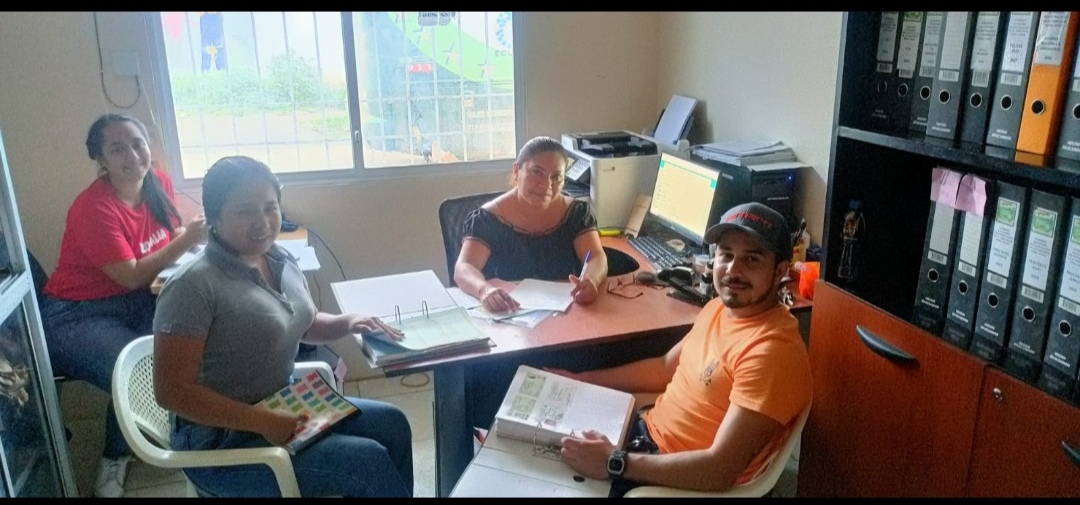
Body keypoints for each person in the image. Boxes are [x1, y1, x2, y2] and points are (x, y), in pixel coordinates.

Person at [152, 156, 414, 497]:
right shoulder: (192, 286)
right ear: (213, 217)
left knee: (393, 423)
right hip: (219, 439)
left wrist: (349, 322)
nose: (262, 222)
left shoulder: (278, 257)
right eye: (245, 211)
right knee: (367, 462)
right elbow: (172, 392)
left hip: (282, 406)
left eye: (270, 208)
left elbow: (303, 324)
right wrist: (261, 421)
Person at [550, 202, 813, 497]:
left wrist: (613, 462)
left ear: (780, 272)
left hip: (672, 479)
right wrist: (582, 379)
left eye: (752, 259)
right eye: (726, 254)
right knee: (533, 446)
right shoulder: (719, 308)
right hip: (642, 438)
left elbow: (718, 469)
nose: (733, 270)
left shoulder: (771, 353)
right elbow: (664, 368)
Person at [39, 113, 207, 497]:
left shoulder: (157, 183)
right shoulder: (93, 208)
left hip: (135, 300)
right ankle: (114, 459)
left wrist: (199, 242)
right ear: (101, 159)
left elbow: (172, 236)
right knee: (137, 373)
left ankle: (186, 431)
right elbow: (131, 274)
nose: (132, 155)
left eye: (138, 143)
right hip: (76, 314)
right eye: (118, 149)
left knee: (187, 345)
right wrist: (187, 240)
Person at [454, 136, 608, 314]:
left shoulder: (577, 214)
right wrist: (484, 290)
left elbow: (596, 257)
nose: (546, 185)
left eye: (556, 176)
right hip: (508, 315)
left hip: (567, 314)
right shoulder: (487, 219)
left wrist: (591, 280)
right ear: (516, 171)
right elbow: (464, 268)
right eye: (537, 172)